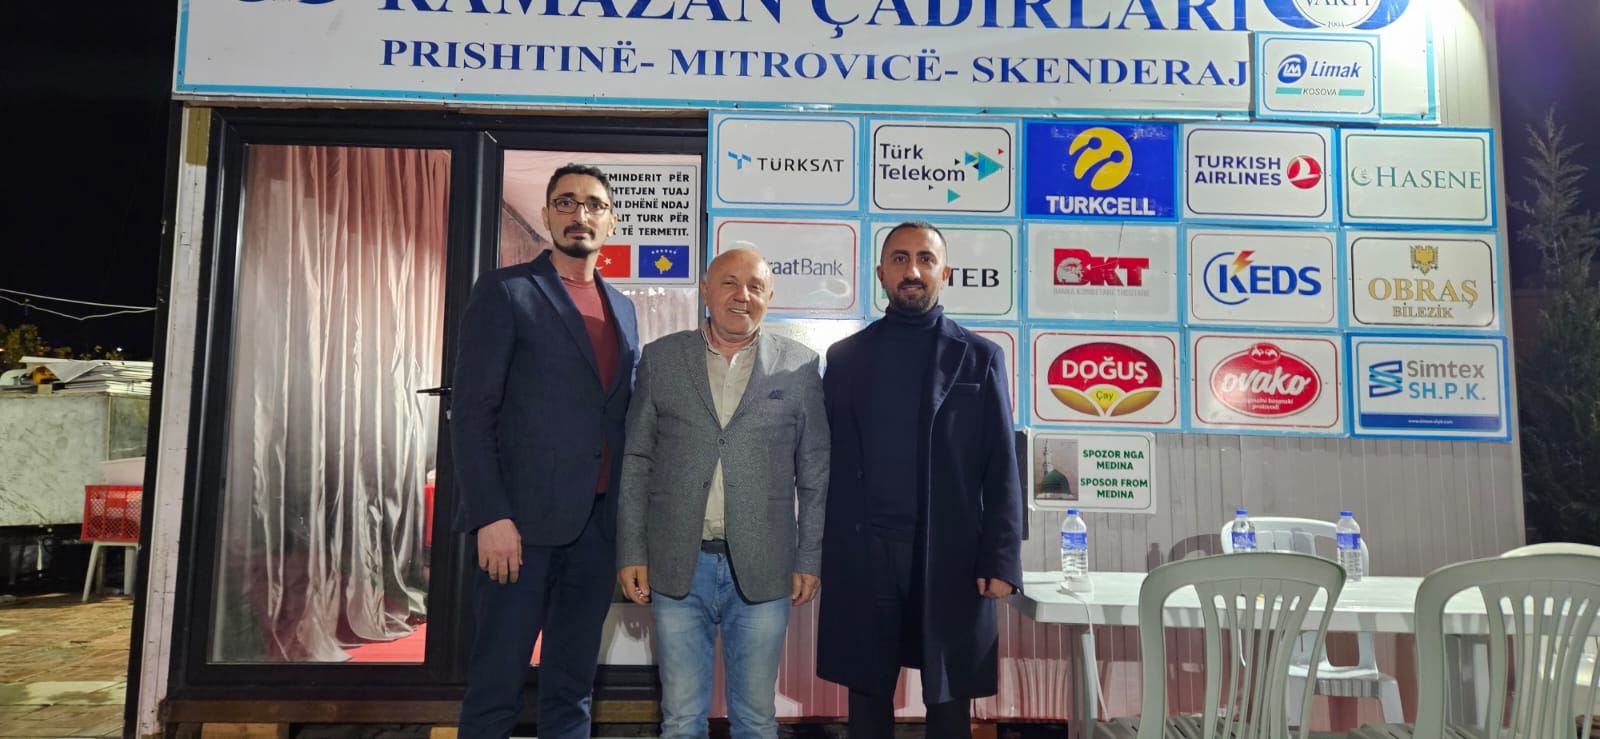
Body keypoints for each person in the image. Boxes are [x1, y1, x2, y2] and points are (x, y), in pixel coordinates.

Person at [451, 164, 639, 739]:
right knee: (496, 686)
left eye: (593, 204)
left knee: (572, 688)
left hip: (596, 530)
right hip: (520, 529)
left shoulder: (623, 308)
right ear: (547, 215)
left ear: (610, 220)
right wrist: (490, 514)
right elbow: (473, 413)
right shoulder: (506, 291)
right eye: (566, 202)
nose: (579, 214)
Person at [815, 221, 1024, 739]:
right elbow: (820, 460)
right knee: (867, 698)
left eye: (925, 259)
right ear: (881, 273)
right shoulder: (844, 359)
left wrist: (1000, 559)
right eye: (900, 259)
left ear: (945, 273)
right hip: (866, 554)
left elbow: (1001, 466)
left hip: (949, 555)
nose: (913, 270)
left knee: (949, 700)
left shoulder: (980, 357)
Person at [616, 247, 830, 739]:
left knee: (755, 719)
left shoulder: (799, 367)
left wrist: (809, 557)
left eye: (755, 286)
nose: (742, 295)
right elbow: (637, 459)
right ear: (706, 291)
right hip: (677, 563)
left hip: (764, 566)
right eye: (729, 282)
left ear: (769, 297)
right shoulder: (662, 359)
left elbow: (815, 472)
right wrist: (631, 551)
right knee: (680, 720)